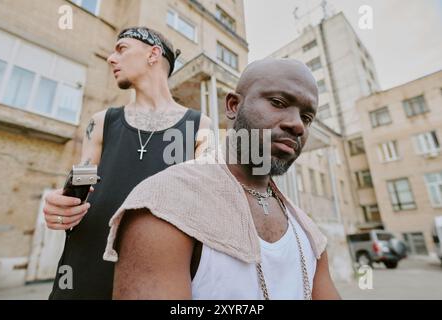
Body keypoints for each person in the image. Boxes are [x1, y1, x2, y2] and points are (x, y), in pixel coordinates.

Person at [104, 58, 341, 300]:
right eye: (278, 103)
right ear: (233, 106)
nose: (298, 125)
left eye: (307, 117)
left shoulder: (309, 233)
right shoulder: (166, 202)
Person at [43, 26, 211, 299]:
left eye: (122, 49)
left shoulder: (200, 127)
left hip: (156, 280)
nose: (111, 58)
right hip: (82, 272)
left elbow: (205, 209)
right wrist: (61, 205)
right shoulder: (101, 121)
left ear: (153, 54)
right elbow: (81, 186)